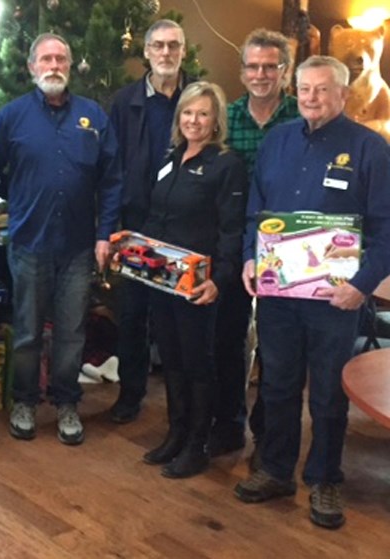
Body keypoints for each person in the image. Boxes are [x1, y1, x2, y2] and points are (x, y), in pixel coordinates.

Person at [234, 55, 390, 529]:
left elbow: (387, 230)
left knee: (327, 393)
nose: (311, 97)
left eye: (322, 89)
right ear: (294, 91)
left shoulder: (370, 149)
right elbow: (256, 210)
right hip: (279, 293)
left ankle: (325, 477)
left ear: (343, 94)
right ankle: (277, 470)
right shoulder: (276, 142)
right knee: (278, 385)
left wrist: (362, 287)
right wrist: (248, 256)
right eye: (304, 89)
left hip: (335, 299)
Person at [0, 33, 122, 446]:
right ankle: (25, 401)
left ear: (70, 65)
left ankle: (66, 402)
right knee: (27, 330)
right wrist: (21, 198)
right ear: (32, 67)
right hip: (28, 242)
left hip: (80, 246)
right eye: (45, 58)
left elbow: (112, 180)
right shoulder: (11, 117)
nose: (54, 65)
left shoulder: (94, 116)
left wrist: (104, 236)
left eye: (61, 58)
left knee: (71, 332)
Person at [140, 81, 248, 478]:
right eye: (188, 112)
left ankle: (198, 444)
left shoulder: (227, 165)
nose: (194, 120)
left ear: (216, 119)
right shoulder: (171, 158)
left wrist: (220, 279)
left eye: (203, 113)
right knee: (172, 359)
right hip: (164, 279)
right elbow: (156, 217)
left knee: (198, 364)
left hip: (200, 284)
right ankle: (176, 433)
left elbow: (231, 231)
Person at [210, 29, 300, 463]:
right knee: (228, 339)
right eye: (253, 66)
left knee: (277, 349)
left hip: (290, 250)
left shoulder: (302, 118)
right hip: (233, 248)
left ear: (285, 71)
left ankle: (267, 432)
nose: (261, 74)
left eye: (270, 66)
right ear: (242, 71)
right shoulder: (225, 119)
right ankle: (227, 425)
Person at [108, 19, 194, 424]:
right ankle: (130, 395)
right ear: (146, 52)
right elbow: (111, 169)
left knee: (180, 321)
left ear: (183, 50)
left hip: (185, 228)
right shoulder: (124, 103)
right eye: (157, 46)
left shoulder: (199, 98)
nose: (165, 53)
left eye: (173, 46)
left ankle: (185, 407)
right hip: (136, 227)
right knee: (132, 317)